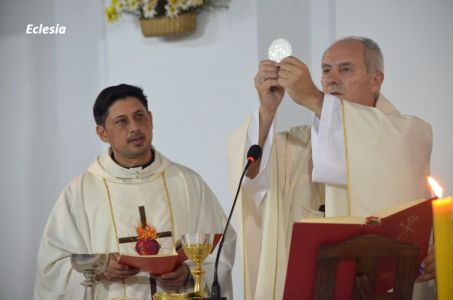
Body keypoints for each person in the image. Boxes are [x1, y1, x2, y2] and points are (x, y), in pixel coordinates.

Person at [227, 36, 434, 299]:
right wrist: (267, 111)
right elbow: (252, 179)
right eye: (326, 70)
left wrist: (311, 96)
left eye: (345, 69)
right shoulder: (299, 143)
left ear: (376, 80)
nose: (331, 79)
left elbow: (370, 142)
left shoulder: (408, 132)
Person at [34, 84, 236, 300]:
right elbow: (52, 268)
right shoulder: (80, 193)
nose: (134, 127)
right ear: (102, 133)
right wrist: (98, 269)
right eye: (121, 121)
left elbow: (221, 246)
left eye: (140, 116)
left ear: (151, 119)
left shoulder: (187, 183)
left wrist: (188, 274)